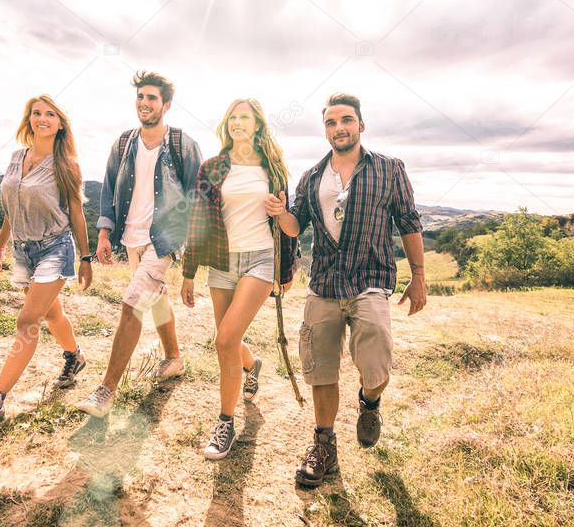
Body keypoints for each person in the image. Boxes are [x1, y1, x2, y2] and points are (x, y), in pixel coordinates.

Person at [276, 92, 427, 486]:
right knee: (320, 368)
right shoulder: (312, 176)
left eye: (346, 120)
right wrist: (280, 216)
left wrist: (419, 274)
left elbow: (409, 222)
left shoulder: (389, 169)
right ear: (324, 129)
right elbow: (297, 226)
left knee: (376, 360)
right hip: (324, 282)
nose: (338, 128)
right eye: (330, 122)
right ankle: (324, 447)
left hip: (370, 281)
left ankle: (370, 401)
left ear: (361, 125)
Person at [0, 95, 94, 437]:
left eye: (50, 114)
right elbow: (12, 207)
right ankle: (75, 356)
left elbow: (76, 214)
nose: (42, 118)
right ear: (29, 120)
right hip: (23, 249)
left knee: (27, 320)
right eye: (36, 113)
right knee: (51, 315)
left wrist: (85, 259)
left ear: (60, 124)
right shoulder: (17, 158)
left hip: (55, 248)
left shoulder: (66, 165)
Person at [76, 71, 202, 418]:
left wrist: (191, 245)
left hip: (165, 238)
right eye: (141, 97)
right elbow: (108, 187)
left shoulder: (182, 145)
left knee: (132, 304)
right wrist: (104, 232)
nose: (144, 103)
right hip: (131, 236)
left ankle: (106, 391)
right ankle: (174, 358)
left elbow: (197, 196)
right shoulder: (123, 143)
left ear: (166, 105)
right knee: (156, 298)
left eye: (152, 98)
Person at [180, 98, 299, 460]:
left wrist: (285, 270)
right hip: (221, 262)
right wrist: (188, 273)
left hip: (259, 261)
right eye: (232, 118)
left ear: (258, 125)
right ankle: (252, 365)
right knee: (228, 342)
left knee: (224, 339)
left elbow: (286, 226)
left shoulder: (273, 168)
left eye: (244, 118)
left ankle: (225, 422)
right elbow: (198, 220)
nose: (237, 123)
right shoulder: (213, 168)